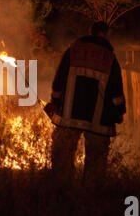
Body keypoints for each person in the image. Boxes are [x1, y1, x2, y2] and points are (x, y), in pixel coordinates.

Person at [47, 21, 126, 186]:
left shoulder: (73, 51)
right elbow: (116, 91)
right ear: (105, 35)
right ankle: (91, 199)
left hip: (69, 118)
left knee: (62, 159)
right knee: (96, 164)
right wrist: (119, 113)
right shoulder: (110, 58)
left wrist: (55, 102)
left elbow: (59, 81)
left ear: (90, 33)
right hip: (99, 122)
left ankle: (61, 194)